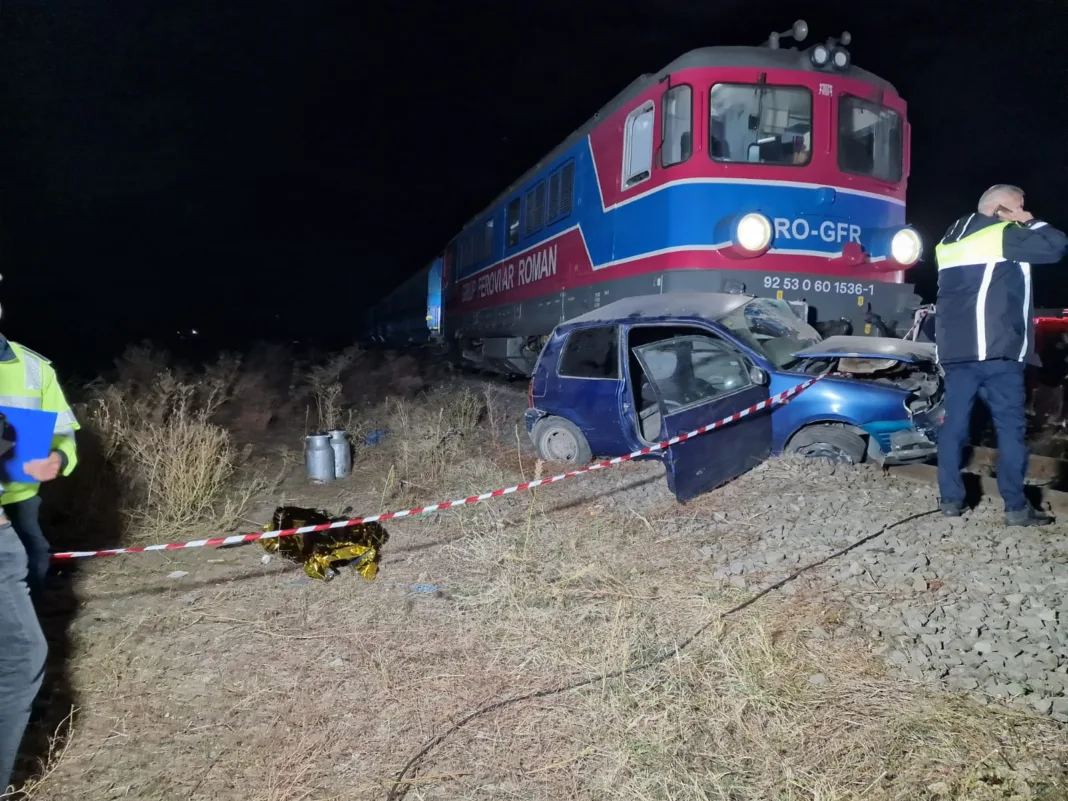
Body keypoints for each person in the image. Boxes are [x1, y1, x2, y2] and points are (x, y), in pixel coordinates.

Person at [934, 184, 1068, 525]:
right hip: (997, 351)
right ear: (1000, 210)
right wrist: (1030, 220)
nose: (1021, 212)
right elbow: (1057, 246)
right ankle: (1016, 508)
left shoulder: (950, 238)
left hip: (956, 351)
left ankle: (950, 501)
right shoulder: (1002, 234)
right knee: (1010, 429)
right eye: (1017, 206)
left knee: (954, 426)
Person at [0, 337, 80, 597]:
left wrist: (58, 457)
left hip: (20, 499)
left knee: (31, 568)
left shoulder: (34, 366)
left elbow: (62, 430)